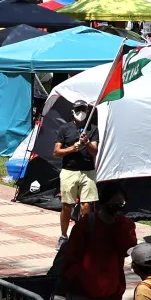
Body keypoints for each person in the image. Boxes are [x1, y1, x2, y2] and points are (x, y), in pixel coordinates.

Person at [56, 189, 138, 300]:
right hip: (82, 294)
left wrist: (120, 225)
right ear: (104, 203)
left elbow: (127, 249)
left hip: (111, 296)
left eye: (121, 203)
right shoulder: (86, 224)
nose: (117, 207)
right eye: (114, 203)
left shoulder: (125, 225)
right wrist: (76, 279)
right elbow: (71, 255)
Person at [53, 102, 99, 241]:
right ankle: (63, 235)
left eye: (83, 110)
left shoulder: (93, 129)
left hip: (88, 172)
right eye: (78, 110)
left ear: (87, 111)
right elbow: (56, 152)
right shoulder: (65, 128)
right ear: (73, 111)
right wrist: (72, 149)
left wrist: (87, 143)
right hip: (69, 171)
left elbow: (95, 151)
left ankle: (83, 235)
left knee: (86, 205)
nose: (81, 112)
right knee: (67, 205)